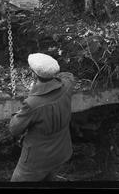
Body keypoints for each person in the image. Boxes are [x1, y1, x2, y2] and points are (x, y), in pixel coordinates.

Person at [9, 53, 74, 182]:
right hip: (61, 152)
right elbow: (68, 75)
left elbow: (14, 129)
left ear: (33, 75)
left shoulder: (32, 103)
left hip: (36, 160)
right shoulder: (67, 86)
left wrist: (18, 113)